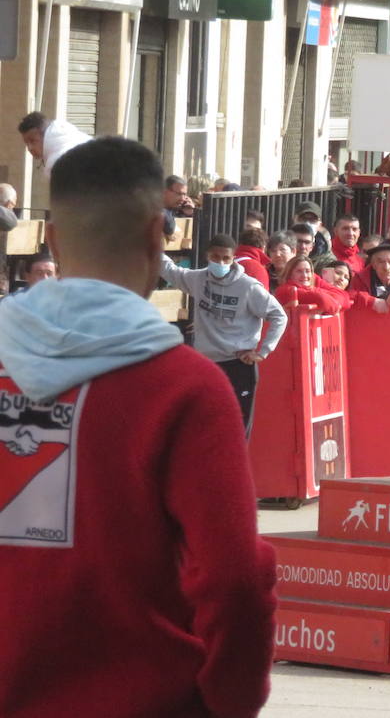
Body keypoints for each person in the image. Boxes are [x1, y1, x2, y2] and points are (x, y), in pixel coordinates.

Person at [0, 137, 276, 717]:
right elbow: (233, 578)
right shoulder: (187, 388)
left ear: (50, 238)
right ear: (159, 236)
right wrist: (229, 703)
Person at [159, 234, 288, 434]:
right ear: (207, 256)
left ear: (233, 258)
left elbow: (279, 316)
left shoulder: (248, 287)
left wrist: (263, 352)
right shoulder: (198, 279)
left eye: (225, 258)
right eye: (215, 257)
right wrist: (152, 242)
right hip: (207, 365)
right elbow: (170, 271)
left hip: (238, 365)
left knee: (236, 431)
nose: (220, 262)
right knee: (206, 429)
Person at [17, 110, 90, 172]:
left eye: (33, 141)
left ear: (45, 135)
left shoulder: (57, 161)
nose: (30, 148)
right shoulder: (71, 138)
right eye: (26, 143)